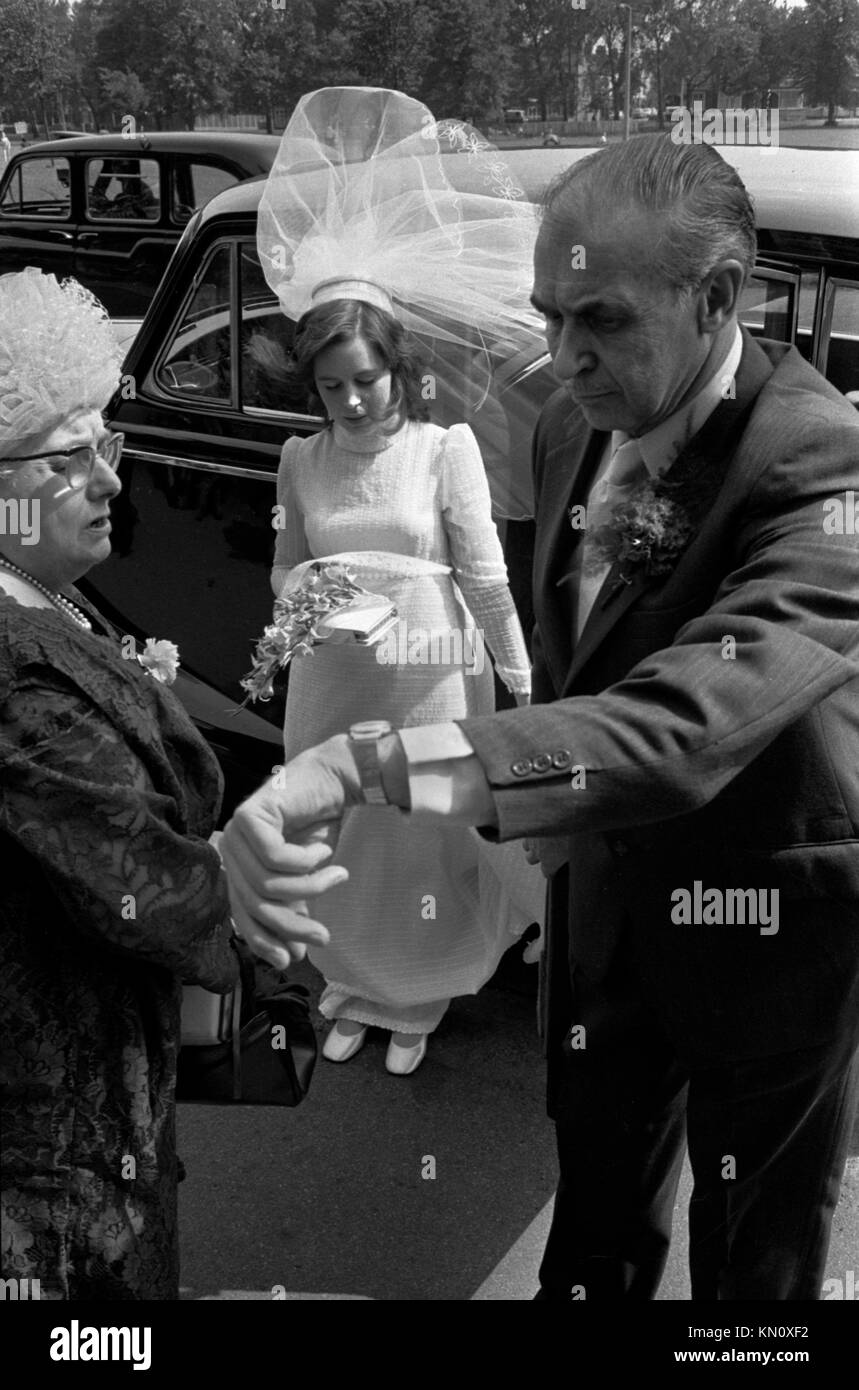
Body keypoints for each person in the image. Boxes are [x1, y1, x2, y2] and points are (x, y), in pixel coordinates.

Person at [221, 134, 859, 1300]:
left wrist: (362, 764)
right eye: (545, 314)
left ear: (716, 298)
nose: (560, 357)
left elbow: (681, 724)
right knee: (595, 1228)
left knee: (751, 1267)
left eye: (600, 320)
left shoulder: (826, 462)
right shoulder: (574, 424)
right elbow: (570, 661)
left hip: (762, 927)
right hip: (604, 917)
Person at [258, 88, 541, 1076]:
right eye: (330, 383)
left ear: (395, 368)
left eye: (364, 380)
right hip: (334, 673)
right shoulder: (299, 458)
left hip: (429, 666)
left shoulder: (444, 449)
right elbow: (287, 568)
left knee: (419, 832)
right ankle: (352, 977)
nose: (347, 398)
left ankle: (417, 992)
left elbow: (485, 573)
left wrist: (519, 680)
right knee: (342, 826)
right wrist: (299, 618)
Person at [0, 268, 238, 1299]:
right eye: (70, 457)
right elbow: (153, 894)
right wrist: (269, 870)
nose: (110, 481)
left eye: (110, 444)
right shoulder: (11, 671)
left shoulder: (50, 596)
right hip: (58, 1189)